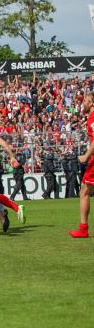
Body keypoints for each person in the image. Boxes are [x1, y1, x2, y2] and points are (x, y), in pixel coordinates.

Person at [69, 93, 94, 238]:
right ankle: (83, 228)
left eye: (85, 101)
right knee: (85, 189)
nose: (82, 103)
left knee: (84, 191)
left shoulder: (92, 118)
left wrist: (86, 155)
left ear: (92, 103)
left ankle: (83, 229)